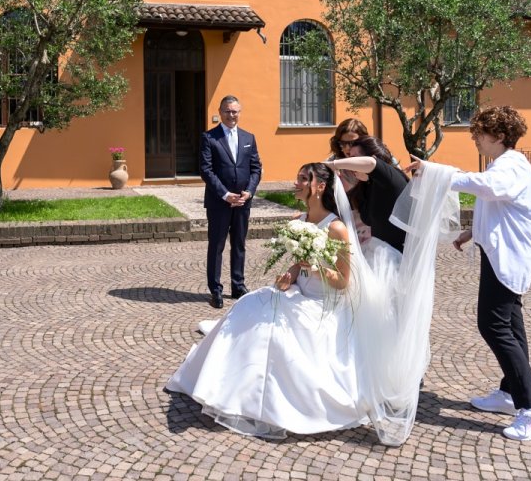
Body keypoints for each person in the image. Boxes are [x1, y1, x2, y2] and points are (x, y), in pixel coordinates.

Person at [166, 162, 459, 446]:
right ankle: (223, 384)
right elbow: (297, 265)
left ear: (319, 186)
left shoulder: (337, 229)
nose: (296, 183)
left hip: (324, 304)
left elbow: (344, 282)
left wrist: (312, 268)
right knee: (247, 305)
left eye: (303, 179)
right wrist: (291, 273)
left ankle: (264, 399)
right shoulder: (300, 222)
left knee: (275, 331)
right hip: (299, 293)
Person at [405, 105, 531, 442]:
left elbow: (487, 188)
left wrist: (433, 171)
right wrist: (472, 231)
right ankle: (510, 393)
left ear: (499, 136)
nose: (475, 140)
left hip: (508, 258)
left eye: (479, 134)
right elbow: (496, 203)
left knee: (494, 325)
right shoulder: (503, 166)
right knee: (511, 327)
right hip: (497, 254)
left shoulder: (511, 167)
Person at [199, 95, 262, 309]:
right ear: (220, 111)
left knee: (239, 244)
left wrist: (249, 192)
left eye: (235, 111)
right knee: (216, 245)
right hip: (219, 202)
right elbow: (206, 170)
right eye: (227, 111)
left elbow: (256, 168)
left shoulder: (248, 138)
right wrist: (225, 194)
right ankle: (215, 290)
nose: (231, 115)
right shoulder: (209, 138)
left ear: (240, 112)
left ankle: (238, 286)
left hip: (243, 201)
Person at [326, 136, 409, 254]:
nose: (350, 165)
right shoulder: (366, 186)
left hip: (399, 256)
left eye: (354, 159)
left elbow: (371, 163)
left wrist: (332, 165)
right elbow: (336, 206)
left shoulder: (391, 176)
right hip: (379, 253)